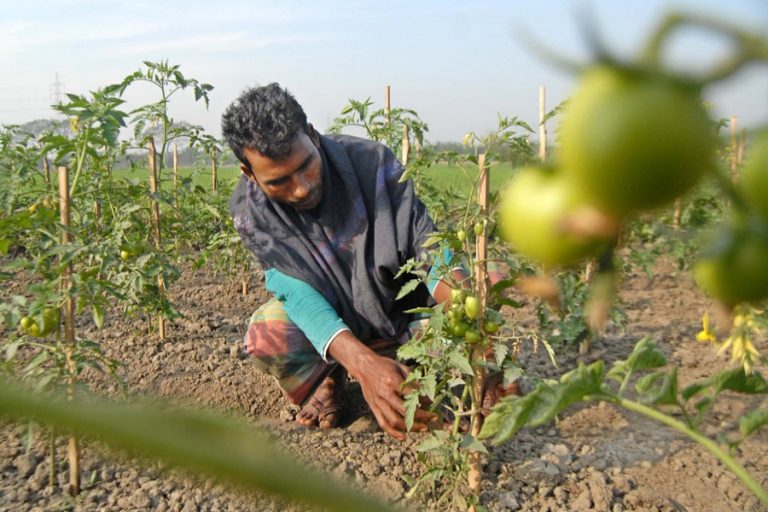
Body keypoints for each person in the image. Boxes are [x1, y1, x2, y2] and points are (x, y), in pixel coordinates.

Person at [223, 83, 512, 441]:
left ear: (313, 136)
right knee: (266, 334)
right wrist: (362, 366)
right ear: (249, 173)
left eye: (306, 166)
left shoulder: (372, 163)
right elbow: (293, 291)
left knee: (487, 283)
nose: (300, 188)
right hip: (333, 329)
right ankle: (328, 379)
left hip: (406, 316)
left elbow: (428, 247)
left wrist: (471, 320)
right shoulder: (250, 212)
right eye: (279, 181)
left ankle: (416, 366)